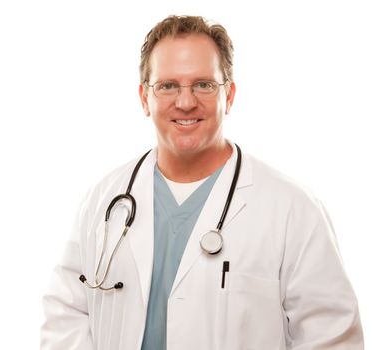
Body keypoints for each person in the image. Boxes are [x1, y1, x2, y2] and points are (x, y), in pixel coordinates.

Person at [40, 15, 363, 349]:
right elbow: (66, 312)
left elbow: (331, 338)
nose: (185, 102)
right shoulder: (104, 200)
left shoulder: (293, 210)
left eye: (204, 85)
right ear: (143, 98)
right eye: (168, 86)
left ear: (230, 95)